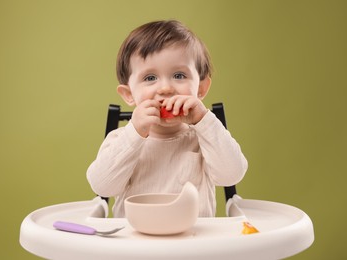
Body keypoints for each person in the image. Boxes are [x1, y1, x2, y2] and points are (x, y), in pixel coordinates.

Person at [87, 20, 247, 217]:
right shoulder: (120, 139)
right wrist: (134, 132)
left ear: (201, 88)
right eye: (150, 78)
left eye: (179, 75)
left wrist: (203, 121)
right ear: (129, 94)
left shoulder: (205, 138)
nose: (165, 88)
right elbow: (102, 186)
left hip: (195, 242)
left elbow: (232, 174)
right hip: (134, 243)